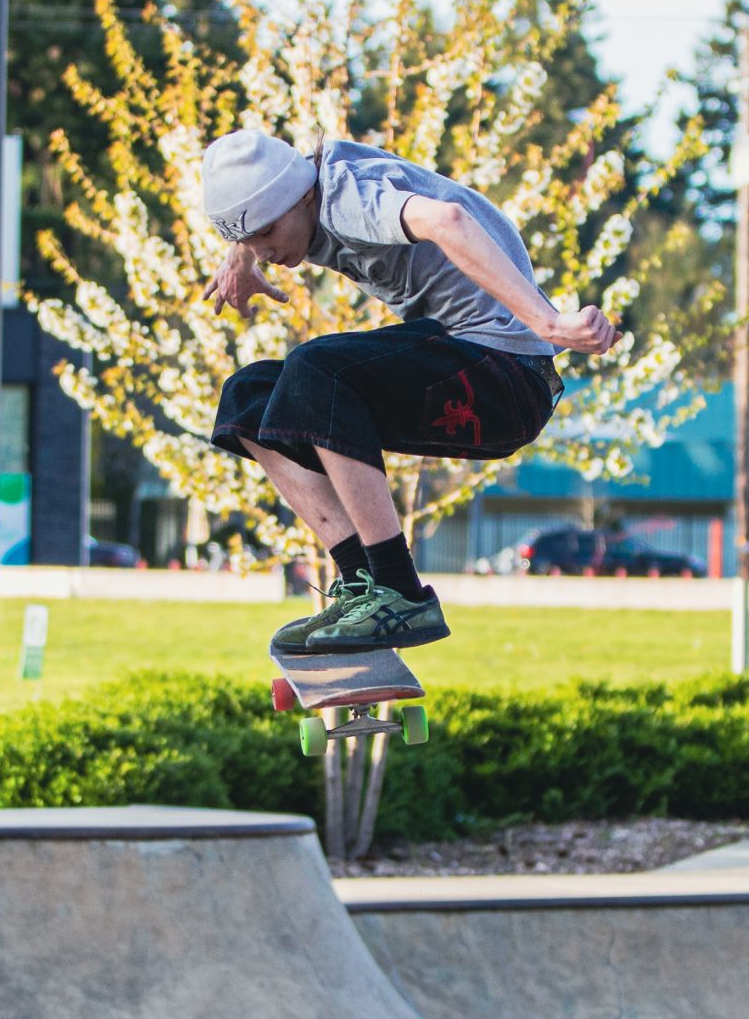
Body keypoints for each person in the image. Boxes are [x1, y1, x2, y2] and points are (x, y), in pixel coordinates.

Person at [200, 128, 619, 653]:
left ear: (302, 196)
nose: (268, 251)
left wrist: (549, 322)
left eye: (268, 234)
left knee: (319, 371)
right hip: (460, 362)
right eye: (251, 239)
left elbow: (449, 220)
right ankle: (360, 585)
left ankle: (398, 591)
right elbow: (268, 195)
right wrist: (241, 256)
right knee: (247, 399)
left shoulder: (347, 199)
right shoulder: (304, 182)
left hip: (502, 377)